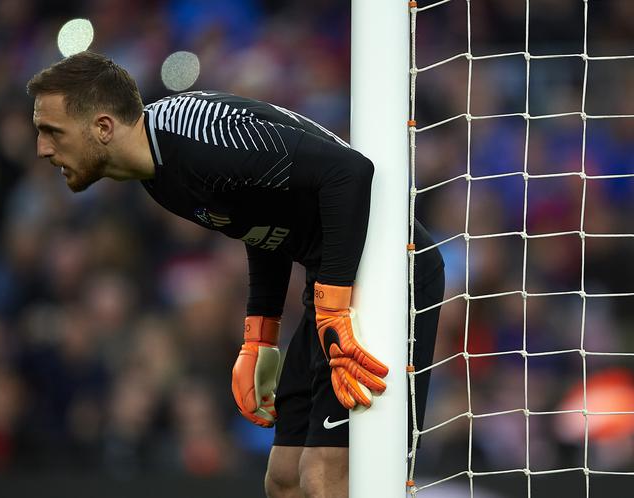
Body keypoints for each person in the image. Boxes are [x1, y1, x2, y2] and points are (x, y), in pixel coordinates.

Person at [27, 51, 444, 498]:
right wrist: (260, 335)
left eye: (53, 132)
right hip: (339, 289)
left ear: (103, 127)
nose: (43, 149)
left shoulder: (199, 136)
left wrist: (334, 309)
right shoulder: (156, 169)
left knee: (325, 476)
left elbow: (350, 172)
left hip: (391, 277)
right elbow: (263, 219)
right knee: (284, 479)